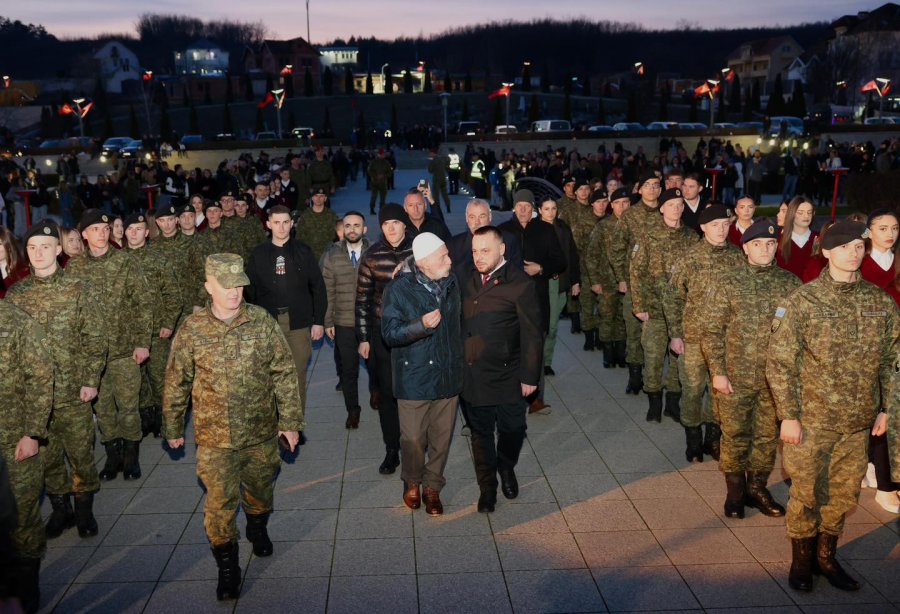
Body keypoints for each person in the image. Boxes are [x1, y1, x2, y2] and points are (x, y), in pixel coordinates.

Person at [767, 220, 899, 593]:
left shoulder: (879, 301)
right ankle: (802, 561)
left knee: (842, 495)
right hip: (811, 420)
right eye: (844, 247)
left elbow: (893, 360)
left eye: (859, 246)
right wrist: (788, 415)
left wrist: (887, 408)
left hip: (857, 422)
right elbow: (779, 362)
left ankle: (827, 556)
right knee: (806, 493)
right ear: (826, 252)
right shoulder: (802, 301)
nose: (853, 253)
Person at [164, 253, 304, 601]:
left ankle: (257, 526)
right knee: (219, 504)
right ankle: (228, 566)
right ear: (208, 287)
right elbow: (177, 380)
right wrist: (172, 425)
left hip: (259, 432)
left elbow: (284, 372)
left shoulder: (261, 321)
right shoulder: (192, 329)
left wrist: (290, 423)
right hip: (214, 437)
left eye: (239, 284)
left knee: (260, 491)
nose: (234, 292)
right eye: (225, 286)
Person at [7, 221, 106, 542]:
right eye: (32, 247)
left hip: (73, 389)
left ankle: (84, 509)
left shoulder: (78, 288)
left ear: (59, 250)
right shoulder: (16, 294)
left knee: (81, 453)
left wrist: (91, 380)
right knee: (47, 458)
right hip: (34, 398)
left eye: (45, 247)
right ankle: (60, 508)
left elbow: (95, 336)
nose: (38, 253)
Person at [701, 219, 800, 519]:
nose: (765, 249)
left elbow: (799, 333)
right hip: (735, 375)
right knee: (735, 434)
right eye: (757, 244)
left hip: (775, 379)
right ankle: (734, 492)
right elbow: (711, 329)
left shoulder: (790, 283)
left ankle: (756, 488)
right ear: (745, 248)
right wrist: (718, 371)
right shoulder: (728, 281)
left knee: (766, 436)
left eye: (771, 244)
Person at [461, 226, 542, 513]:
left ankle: (506, 466)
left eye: (485, 251)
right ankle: (488, 488)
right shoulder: (465, 278)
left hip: (509, 374)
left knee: (513, 429)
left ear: (501, 250)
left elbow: (532, 333)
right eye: (474, 251)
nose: (479, 257)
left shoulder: (520, 284)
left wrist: (529, 376)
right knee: (480, 434)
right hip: (474, 374)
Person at [67, 209, 152, 481]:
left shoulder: (125, 261)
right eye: (95, 230)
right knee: (103, 409)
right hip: (91, 356)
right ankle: (112, 456)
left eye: (105, 229)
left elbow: (143, 303)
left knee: (128, 406)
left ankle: (131, 457)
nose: (102, 234)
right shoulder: (74, 267)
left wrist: (142, 343)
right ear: (84, 234)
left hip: (125, 349)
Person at [382, 233, 462, 516]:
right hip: (414, 378)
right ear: (425, 263)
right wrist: (419, 325)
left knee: (442, 439)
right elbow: (390, 334)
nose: (450, 260)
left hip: (447, 375)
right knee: (413, 439)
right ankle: (412, 481)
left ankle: (433, 487)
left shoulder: (453, 282)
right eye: (443, 257)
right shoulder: (398, 290)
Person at [666, 203, 745, 462]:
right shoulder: (690, 258)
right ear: (703, 228)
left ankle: (713, 437)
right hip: (694, 337)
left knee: (719, 391)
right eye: (715, 225)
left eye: (725, 225)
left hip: (726, 339)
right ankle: (693, 439)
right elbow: (673, 297)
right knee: (692, 389)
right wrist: (675, 334)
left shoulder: (738, 257)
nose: (721, 230)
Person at [246, 205, 326, 417]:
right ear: (268, 224)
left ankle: (293, 424)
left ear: (291, 224)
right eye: (276, 222)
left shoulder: (303, 251)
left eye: (285, 222)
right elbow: (249, 291)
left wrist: (318, 321)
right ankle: (273, 423)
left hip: (298, 323)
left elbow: (318, 287)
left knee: (296, 374)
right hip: (268, 324)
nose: (281, 227)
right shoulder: (258, 254)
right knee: (268, 374)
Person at [0, 298, 53, 614]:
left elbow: (40, 375)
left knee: (20, 516)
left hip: (12, 441)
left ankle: (26, 587)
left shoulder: (16, 320)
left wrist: (32, 432)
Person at [630, 188, 698, 422]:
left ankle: (672, 402)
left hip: (682, 310)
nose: (677, 208)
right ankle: (654, 402)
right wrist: (638, 304)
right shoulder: (648, 235)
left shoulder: (691, 237)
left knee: (679, 360)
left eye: (680, 204)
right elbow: (636, 271)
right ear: (662, 208)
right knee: (654, 356)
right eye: (671, 204)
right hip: (655, 308)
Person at [356, 204, 414, 474]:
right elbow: (363, 300)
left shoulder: (419, 249)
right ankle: (392, 449)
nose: (391, 227)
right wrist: (365, 337)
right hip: (382, 334)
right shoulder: (371, 255)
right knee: (388, 394)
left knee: (413, 392)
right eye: (386, 223)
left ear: (405, 224)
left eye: (396, 222)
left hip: (416, 333)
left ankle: (416, 445)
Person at [497, 190, 565, 413]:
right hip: (511, 303)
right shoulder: (503, 231)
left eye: (527, 205)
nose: (523, 210)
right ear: (514, 208)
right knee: (511, 351)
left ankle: (536, 400)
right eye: (519, 206)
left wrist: (541, 268)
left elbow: (560, 260)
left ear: (533, 209)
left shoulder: (545, 229)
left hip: (538, 300)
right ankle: (511, 398)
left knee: (535, 349)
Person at [122, 211, 182, 438]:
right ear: (124, 232)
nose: (134, 233)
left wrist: (168, 322)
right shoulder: (119, 261)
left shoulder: (158, 258)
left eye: (139, 229)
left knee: (160, 379)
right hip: (130, 332)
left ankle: (167, 425)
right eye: (130, 229)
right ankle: (148, 419)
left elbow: (173, 294)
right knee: (139, 380)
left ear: (147, 232)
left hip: (158, 331)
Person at [859, 208, 900, 513]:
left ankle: (885, 478)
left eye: (895, 228)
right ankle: (884, 485)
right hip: (866, 349)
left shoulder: (898, 261)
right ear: (869, 231)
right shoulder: (857, 261)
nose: (890, 233)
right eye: (883, 227)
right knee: (876, 416)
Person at [610, 173, 662, 394]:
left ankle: (657, 379)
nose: (651, 189)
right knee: (633, 331)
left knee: (660, 333)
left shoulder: (668, 212)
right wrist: (622, 277)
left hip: (662, 286)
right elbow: (617, 248)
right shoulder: (630, 215)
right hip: (635, 282)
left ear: (660, 189)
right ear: (639, 190)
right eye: (647, 185)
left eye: (655, 185)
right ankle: (635, 376)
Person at [322, 211, 370, 429]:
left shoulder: (374, 253)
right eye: (348, 225)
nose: (352, 229)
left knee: (377, 366)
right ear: (342, 229)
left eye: (357, 225)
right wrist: (327, 321)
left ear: (364, 229)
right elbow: (328, 290)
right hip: (343, 322)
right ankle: (353, 410)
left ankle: (376, 391)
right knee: (349, 369)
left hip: (371, 322)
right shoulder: (332, 255)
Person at [585, 187, 630, 369]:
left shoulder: (635, 226)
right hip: (607, 281)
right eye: (618, 203)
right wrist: (595, 281)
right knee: (607, 316)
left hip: (629, 281)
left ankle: (620, 353)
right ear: (612, 206)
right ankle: (608, 353)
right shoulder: (603, 226)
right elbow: (591, 255)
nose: (622, 207)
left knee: (622, 318)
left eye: (625, 203)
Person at [537, 197, 579, 375]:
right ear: (540, 210)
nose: (551, 212)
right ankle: (541, 362)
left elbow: (572, 254)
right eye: (547, 209)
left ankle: (546, 361)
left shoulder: (562, 227)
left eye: (553, 208)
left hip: (561, 282)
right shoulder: (534, 229)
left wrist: (575, 281)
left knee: (552, 326)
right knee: (547, 325)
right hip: (542, 283)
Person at [446, 198, 523, 275]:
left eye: (482, 216)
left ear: (490, 217)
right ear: (466, 219)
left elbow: (518, 275)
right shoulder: (453, 245)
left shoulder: (509, 241)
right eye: (472, 217)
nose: (477, 222)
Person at [776, 197, 818, 279]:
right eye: (800, 213)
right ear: (791, 214)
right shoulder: (778, 239)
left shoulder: (819, 238)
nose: (806, 216)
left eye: (809, 212)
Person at [295, 187, 339, 261]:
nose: (318, 198)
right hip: (309, 255)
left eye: (321, 196)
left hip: (327, 254)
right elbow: (299, 236)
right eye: (316, 196)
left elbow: (337, 235)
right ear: (312, 198)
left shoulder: (332, 215)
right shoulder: (305, 215)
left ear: (325, 198)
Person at [367, 149, 392, 214]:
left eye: (382, 154)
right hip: (374, 182)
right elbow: (370, 171)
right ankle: (372, 209)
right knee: (374, 196)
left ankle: (382, 209)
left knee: (383, 197)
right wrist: (375, 176)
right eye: (381, 154)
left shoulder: (386, 163)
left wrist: (383, 175)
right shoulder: (373, 162)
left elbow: (390, 172)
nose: (382, 155)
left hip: (383, 183)